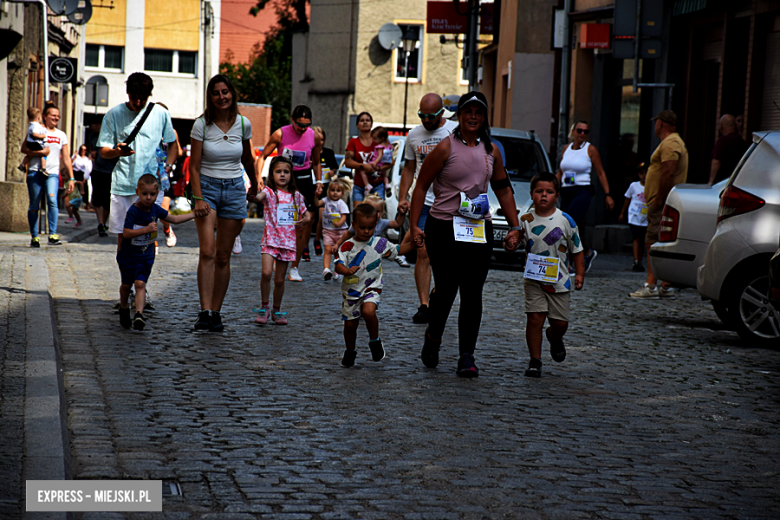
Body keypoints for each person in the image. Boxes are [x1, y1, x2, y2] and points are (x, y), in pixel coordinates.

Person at [409, 91, 522, 378]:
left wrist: (514, 226)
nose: (473, 117)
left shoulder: (491, 150)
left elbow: (504, 189)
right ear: (459, 116)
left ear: (484, 118)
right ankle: (433, 338)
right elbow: (421, 186)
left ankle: (466, 356)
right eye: (468, 111)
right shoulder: (446, 147)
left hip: (477, 229)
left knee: (473, 294)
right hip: (444, 226)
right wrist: (414, 226)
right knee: (446, 290)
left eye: (478, 112)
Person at [190, 74, 258, 331]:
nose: (221, 97)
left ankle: (216, 312)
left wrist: (254, 184)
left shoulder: (244, 124)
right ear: (210, 97)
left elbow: (249, 160)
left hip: (234, 189)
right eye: (216, 93)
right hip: (206, 188)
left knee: (223, 256)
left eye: (225, 92)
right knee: (207, 251)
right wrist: (197, 199)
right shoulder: (201, 125)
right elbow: (194, 168)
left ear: (232, 94)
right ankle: (204, 311)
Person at [508, 172, 584, 378]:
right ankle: (535, 360)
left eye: (549, 192)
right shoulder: (526, 219)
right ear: (532, 194)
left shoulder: (565, 220)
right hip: (534, 279)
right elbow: (515, 237)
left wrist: (579, 274)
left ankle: (554, 336)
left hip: (560, 280)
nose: (543, 195)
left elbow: (577, 249)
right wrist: (511, 242)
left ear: (557, 195)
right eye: (539, 191)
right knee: (534, 318)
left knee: (560, 323)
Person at [98, 73, 179, 247]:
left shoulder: (161, 114)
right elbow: (104, 151)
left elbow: (173, 145)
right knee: (124, 237)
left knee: (147, 238)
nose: (138, 103)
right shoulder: (113, 114)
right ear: (127, 93)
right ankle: (126, 273)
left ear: (149, 96)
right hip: (123, 185)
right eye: (134, 98)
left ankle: (141, 274)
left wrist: (168, 167)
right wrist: (116, 152)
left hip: (150, 186)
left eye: (142, 99)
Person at [398, 93, 459, 323]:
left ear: (442, 113)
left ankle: (437, 293)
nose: (426, 120)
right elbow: (408, 169)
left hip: (450, 203)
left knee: (447, 256)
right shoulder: (413, 135)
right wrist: (403, 197)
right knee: (421, 249)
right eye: (421, 115)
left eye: (430, 116)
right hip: (422, 202)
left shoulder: (455, 130)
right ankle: (424, 305)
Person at [335, 203, 414, 368]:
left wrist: (413, 244)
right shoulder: (347, 246)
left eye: (370, 228)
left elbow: (397, 250)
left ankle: (375, 340)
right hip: (351, 292)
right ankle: (350, 351)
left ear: (375, 226)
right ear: (354, 225)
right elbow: (338, 264)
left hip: (372, 288)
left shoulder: (378, 243)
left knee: (369, 312)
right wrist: (347, 271)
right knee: (350, 325)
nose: (366, 231)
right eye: (362, 227)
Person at [116, 174, 196, 331]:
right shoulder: (133, 211)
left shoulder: (155, 209)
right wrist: (146, 230)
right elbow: (126, 233)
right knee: (126, 285)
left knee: (140, 283)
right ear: (137, 192)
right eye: (144, 194)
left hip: (145, 255)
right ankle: (124, 307)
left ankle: (139, 314)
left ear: (157, 194)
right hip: (128, 255)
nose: (148, 198)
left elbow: (174, 219)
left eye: (152, 194)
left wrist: (194, 214)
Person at [256, 105, 323, 281]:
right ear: (292, 120)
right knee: (280, 221)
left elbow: (316, 163)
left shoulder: (313, 135)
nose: (303, 129)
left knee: (303, 225)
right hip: (283, 178)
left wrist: (319, 182)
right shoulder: (280, 133)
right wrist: (258, 178)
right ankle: (273, 254)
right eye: (299, 125)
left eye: (307, 125)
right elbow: (262, 156)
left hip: (304, 179)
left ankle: (294, 267)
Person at [630, 110, 689, 299]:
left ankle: (651, 285)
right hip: (664, 201)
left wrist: (658, 199)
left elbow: (668, 171)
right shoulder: (672, 142)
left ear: (660, 123)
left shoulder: (670, 142)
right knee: (661, 242)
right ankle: (664, 285)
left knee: (652, 242)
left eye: (656, 123)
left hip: (662, 202)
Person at [253, 156, 311, 325]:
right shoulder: (270, 193)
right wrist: (253, 192)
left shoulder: (297, 196)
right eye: (278, 171)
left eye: (286, 172)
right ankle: (264, 306)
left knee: (279, 280)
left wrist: (305, 220)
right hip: (270, 240)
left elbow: (306, 214)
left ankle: (276, 310)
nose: (282, 175)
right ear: (272, 174)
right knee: (266, 273)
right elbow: (258, 197)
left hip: (287, 243)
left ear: (291, 175)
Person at [556, 120, 615, 273]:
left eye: (586, 131)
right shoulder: (565, 149)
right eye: (579, 130)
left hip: (582, 191)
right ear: (573, 131)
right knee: (565, 227)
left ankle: (568, 264)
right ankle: (587, 253)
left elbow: (600, 172)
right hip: (566, 191)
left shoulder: (590, 150)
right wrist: (551, 189)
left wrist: (608, 194)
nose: (582, 134)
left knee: (569, 225)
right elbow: (560, 172)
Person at [23, 103, 74, 247]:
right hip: (35, 171)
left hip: (52, 173)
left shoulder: (61, 135)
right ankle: (34, 236)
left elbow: (66, 157)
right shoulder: (36, 129)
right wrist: (41, 153)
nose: (56, 118)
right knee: (34, 204)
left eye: (58, 116)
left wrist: (71, 178)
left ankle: (52, 234)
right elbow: (24, 149)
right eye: (53, 115)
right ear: (44, 116)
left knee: (52, 200)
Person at [155, 103, 183, 247]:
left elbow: (179, 151)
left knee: (162, 211)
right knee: (149, 212)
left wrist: (168, 160)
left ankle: (167, 229)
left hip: (165, 176)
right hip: (151, 175)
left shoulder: (171, 132)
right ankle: (152, 244)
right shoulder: (150, 130)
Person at [335, 194, 407, 249]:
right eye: (371, 210)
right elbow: (348, 233)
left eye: (377, 211)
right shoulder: (359, 222)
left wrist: (402, 214)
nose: (374, 213)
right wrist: (338, 244)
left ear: (382, 211)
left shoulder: (382, 223)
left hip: (374, 253)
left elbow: (397, 223)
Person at [312, 126, 340, 257]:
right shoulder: (309, 151)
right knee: (309, 218)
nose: (320, 142)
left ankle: (318, 239)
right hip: (310, 189)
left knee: (321, 216)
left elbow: (335, 168)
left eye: (322, 140)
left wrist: (331, 172)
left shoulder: (328, 153)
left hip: (325, 189)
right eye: (317, 139)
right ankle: (304, 247)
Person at [317, 179, 350, 281]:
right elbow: (317, 203)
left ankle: (337, 270)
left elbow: (344, 216)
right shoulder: (326, 200)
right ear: (328, 191)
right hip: (328, 230)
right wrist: (316, 194)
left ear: (342, 193)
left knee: (338, 252)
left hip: (340, 231)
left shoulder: (341, 203)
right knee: (327, 250)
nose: (335, 193)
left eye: (338, 190)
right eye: (332, 190)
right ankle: (326, 270)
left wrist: (339, 223)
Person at [345, 112, 380, 207]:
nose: (365, 122)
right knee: (358, 216)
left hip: (377, 184)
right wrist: (362, 166)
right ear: (357, 125)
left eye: (367, 120)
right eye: (362, 120)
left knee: (376, 217)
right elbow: (347, 162)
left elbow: (390, 161)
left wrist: (377, 167)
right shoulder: (353, 142)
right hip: (359, 186)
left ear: (371, 124)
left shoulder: (379, 141)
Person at [619, 162, 649, 272]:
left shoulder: (652, 186)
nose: (644, 176)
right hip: (634, 215)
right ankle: (636, 261)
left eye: (646, 173)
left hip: (645, 217)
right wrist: (622, 213)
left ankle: (640, 260)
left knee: (642, 239)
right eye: (642, 173)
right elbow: (627, 199)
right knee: (636, 238)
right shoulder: (634, 186)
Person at [708, 114, 748, 185]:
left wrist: (711, 181)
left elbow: (716, 161)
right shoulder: (741, 141)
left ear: (721, 126)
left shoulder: (723, 141)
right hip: (737, 181)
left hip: (721, 183)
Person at [19, 107, 47, 173]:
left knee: (30, 155)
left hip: (29, 143)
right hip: (34, 143)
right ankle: (43, 168)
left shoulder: (31, 124)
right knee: (44, 154)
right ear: (39, 118)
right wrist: (42, 136)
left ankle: (22, 164)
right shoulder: (35, 125)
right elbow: (35, 134)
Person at [368, 126, 393, 198]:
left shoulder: (379, 146)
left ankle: (367, 185)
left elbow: (380, 155)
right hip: (385, 164)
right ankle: (387, 185)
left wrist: (375, 162)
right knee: (384, 176)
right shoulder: (388, 145)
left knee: (365, 172)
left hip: (378, 164)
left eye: (375, 138)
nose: (374, 140)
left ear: (382, 138)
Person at [70, 145, 93, 212]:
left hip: (82, 174)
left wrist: (85, 177)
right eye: (82, 149)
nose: (83, 151)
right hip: (75, 173)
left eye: (84, 150)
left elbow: (88, 169)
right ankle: (73, 203)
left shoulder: (87, 159)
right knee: (75, 188)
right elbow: (70, 164)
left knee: (84, 189)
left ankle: (85, 204)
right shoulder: (76, 157)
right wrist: (74, 157)